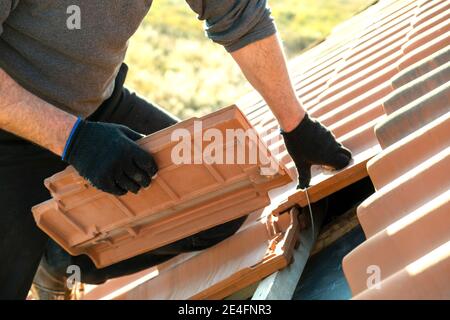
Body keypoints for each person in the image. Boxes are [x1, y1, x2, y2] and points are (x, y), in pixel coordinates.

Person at [0, 0, 351, 299]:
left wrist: (296, 124)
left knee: (218, 205)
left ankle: (62, 255)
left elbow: (239, 13)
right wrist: (74, 139)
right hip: (8, 131)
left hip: (96, 106)